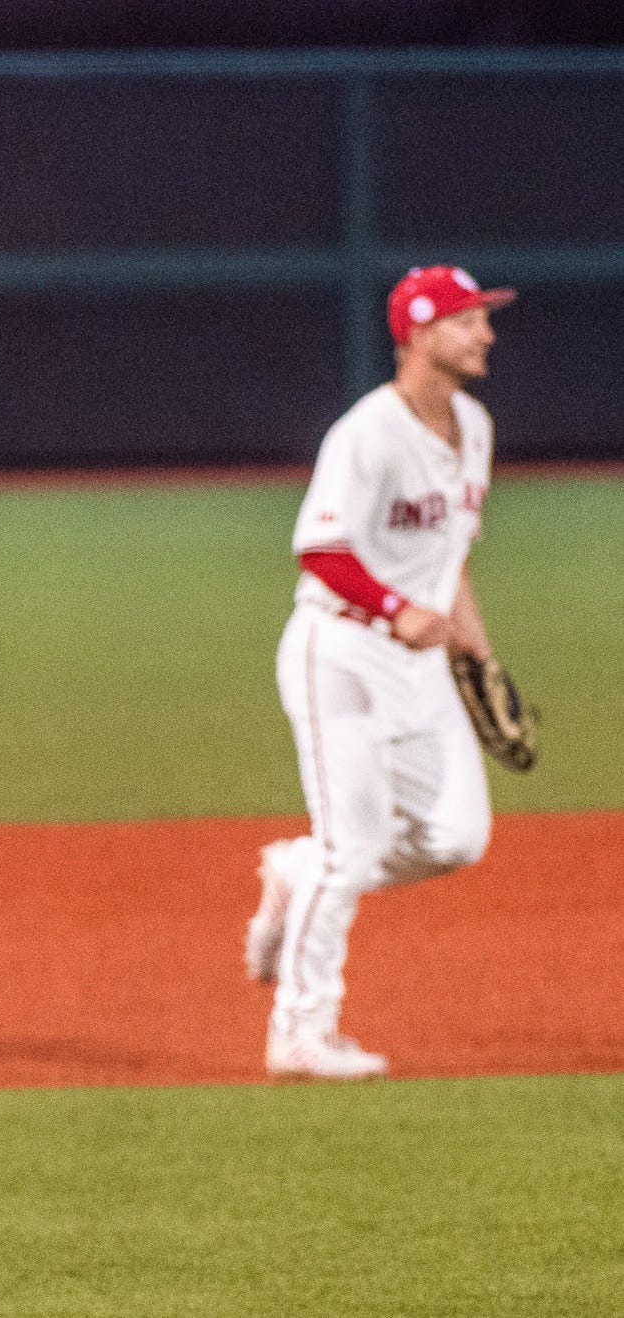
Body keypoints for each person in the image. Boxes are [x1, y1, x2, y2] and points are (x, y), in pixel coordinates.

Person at [242, 265, 507, 1080]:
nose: (484, 334)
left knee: (456, 836)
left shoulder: (473, 425)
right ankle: (300, 1031)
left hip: (419, 669)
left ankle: (296, 869)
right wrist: (396, 611)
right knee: (352, 844)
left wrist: (482, 652)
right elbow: (319, 549)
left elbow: (447, 558)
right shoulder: (366, 434)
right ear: (419, 332)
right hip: (341, 654)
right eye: (466, 320)